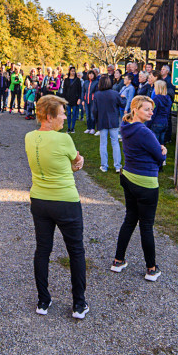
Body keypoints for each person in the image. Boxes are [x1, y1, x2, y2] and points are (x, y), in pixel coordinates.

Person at [25, 95, 88, 318]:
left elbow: (60, 163)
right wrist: (77, 163)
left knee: (43, 249)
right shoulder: (64, 140)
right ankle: (79, 304)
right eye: (61, 113)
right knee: (76, 251)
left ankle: (43, 300)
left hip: (40, 200)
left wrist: (73, 163)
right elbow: (75, 160)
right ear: (50, 116)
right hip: (65, 201)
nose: (64, 116)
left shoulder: (29, 137)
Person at [111, 95, 167, 281]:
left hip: (128, 177)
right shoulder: (144, 132)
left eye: (151, 109)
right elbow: (159, 157)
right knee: (146, 226)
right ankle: (151, 268)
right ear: (135, 109)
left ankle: (118, 261)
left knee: (130, 219)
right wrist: (163, 151)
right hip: (146, 182)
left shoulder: (126, 126)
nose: (151, 112)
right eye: (146, 109)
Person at [93, 75, 122, 172]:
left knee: (103, 144)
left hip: (102, 120)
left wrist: (96, 120)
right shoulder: (115, 93)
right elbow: (122, 103)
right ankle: (117, 166)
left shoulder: (97, 94)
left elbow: (94, 110)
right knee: (115, 143)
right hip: (113, 120)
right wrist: (124, 98)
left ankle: (104, 166)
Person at [149, 79, 171, 144]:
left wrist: (148, 124)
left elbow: (153, 112)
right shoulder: (168, 98)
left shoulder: (156, 98)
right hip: (165, 122)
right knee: (162, 143)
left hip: (156, 122)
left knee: (155, 143)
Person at [61, 67, 81, 133]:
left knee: (74, 113)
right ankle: (69, 127)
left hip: (75, 99)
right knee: (69, 113)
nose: (73, 72)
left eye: (74, 71)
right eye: (72, 71)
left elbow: (80, 90)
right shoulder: (66, 80)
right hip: (68, 99)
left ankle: (73, 128)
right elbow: (64, 90)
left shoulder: (77, 80)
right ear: (69, 71)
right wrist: (64, 99)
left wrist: (79, 99)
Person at [82, 70, 98, 135]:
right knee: (87, 115)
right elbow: (83, 91)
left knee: (92, 115)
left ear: (94, 75)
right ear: (88, 75)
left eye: (92, 74)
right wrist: (83, 100)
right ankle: (88, 128)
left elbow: (97, 92)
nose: (91, 75)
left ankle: (92, 128)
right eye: (90, 74)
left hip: (92, 101)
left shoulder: (96, 82)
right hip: (86, 101)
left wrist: (94, 99)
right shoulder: (85, 82)